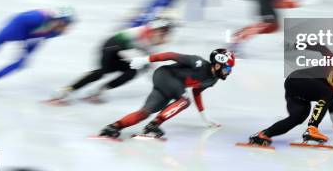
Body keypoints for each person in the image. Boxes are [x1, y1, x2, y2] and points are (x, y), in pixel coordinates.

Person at [245, 45, 333, 147]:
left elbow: (329, 97)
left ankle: (263, 135)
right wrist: (296, 45)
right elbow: (322, 48)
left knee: (297, 118)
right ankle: (312, 129)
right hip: (297, 79)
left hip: (300, 92)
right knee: (327, 93)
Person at [96, 48, 235, 139]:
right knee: (184, 101)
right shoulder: (198, 62)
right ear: (217, 64)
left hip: (171, 86)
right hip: (165, 75)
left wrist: (204, 117)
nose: (229, 72)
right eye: (228, 68)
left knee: (144, 113)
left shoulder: (212, 80)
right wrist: (144, 60)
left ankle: (113, 127)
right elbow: (171, 55)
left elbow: (197, 91)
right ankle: (153, 126)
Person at [48, 18, 174, 104]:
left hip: (126, 53)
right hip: (112, 47)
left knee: (132, 73)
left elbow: (149, 62)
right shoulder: (139, 32)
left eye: (166, 33)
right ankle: (67, 90)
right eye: (164, 32)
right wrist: (138, 57)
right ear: (156, 29)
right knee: (103, 72)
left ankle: (100, 90)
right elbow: (119, 46)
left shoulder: (157, 40)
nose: (165, 36)